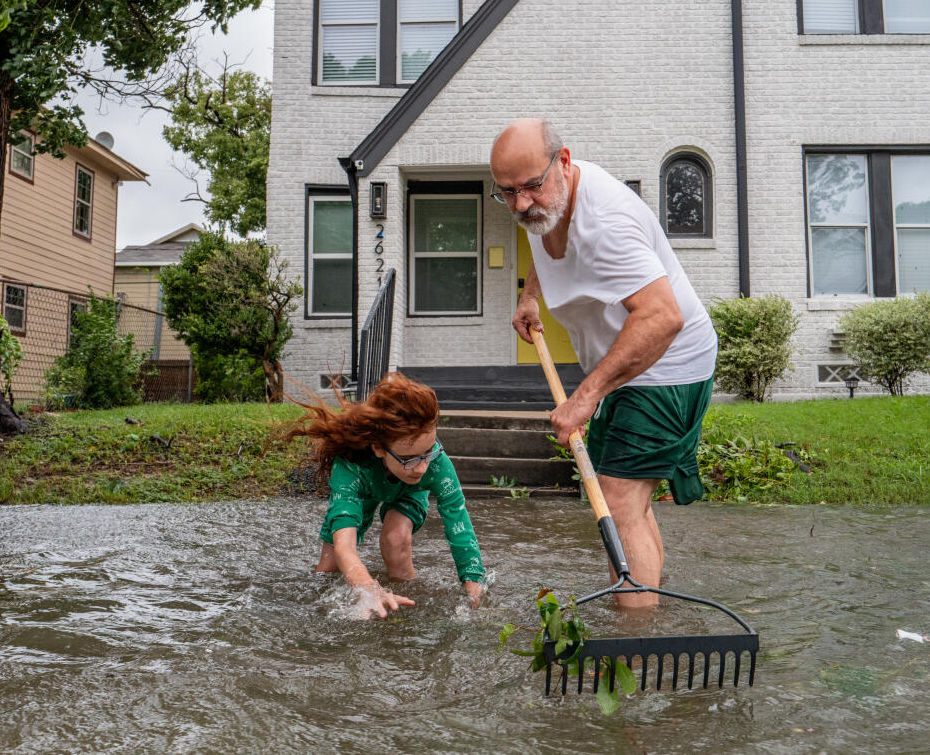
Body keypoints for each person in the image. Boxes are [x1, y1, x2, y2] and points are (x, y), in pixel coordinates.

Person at [490, 118, 717, 609]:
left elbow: (662, 317)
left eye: (530, 186)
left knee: (615, 502)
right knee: (630, 504)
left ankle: (634, 644)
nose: (521, 203)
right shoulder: (543, 203)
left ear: (564, 162)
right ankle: (647, 614)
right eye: (506, 192)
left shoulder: (607, 221)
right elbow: (541, 238)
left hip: (667, 365)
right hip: (625, 367)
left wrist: (584, 397)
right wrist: (532, 296)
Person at [288, 372, 486, 618]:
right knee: (328, 568)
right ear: (378, 448)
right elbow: (345, 546)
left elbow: (461, 531)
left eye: (427, 451)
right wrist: (368, 588)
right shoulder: (351, 464)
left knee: (395, 539)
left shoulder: (435, 464)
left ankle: (403, 611)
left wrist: (474, 592)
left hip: (408, 492)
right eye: (408, 458)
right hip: (365, 488)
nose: (421, 467)